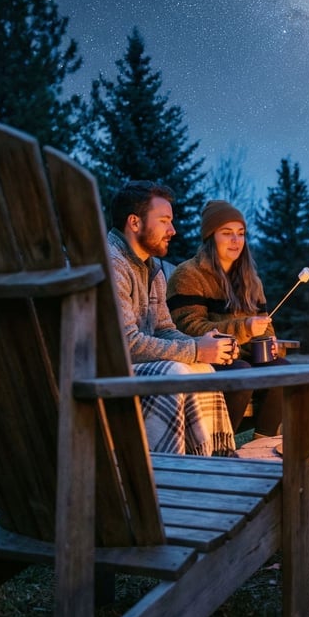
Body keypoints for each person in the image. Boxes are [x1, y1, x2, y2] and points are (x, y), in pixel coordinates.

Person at [107, 180, 238, 456]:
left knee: (204, 369)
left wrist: (204, 345)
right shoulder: (113, 263)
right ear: (134, 222)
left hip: (133, 366)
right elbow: (126, 344)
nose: (172, 230)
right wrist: (193, 350)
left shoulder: (150, 268)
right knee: (175, 372)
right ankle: (167, 467)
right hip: (106, 371)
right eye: (164, 221)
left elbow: (165, 328)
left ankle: (210, 462)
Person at [166, 200, 287, 437]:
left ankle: (261, 443)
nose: (236, 240)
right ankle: (219, 446)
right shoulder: (189, 275)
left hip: (247, 358)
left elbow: (265, 324)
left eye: (240, 234)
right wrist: (244, 328)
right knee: (240, 373)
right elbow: (189, 326)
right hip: (207, 359)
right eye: (227, 233)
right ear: (211, 236)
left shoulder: (251, 279)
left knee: (282, 370)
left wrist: (269, 342)